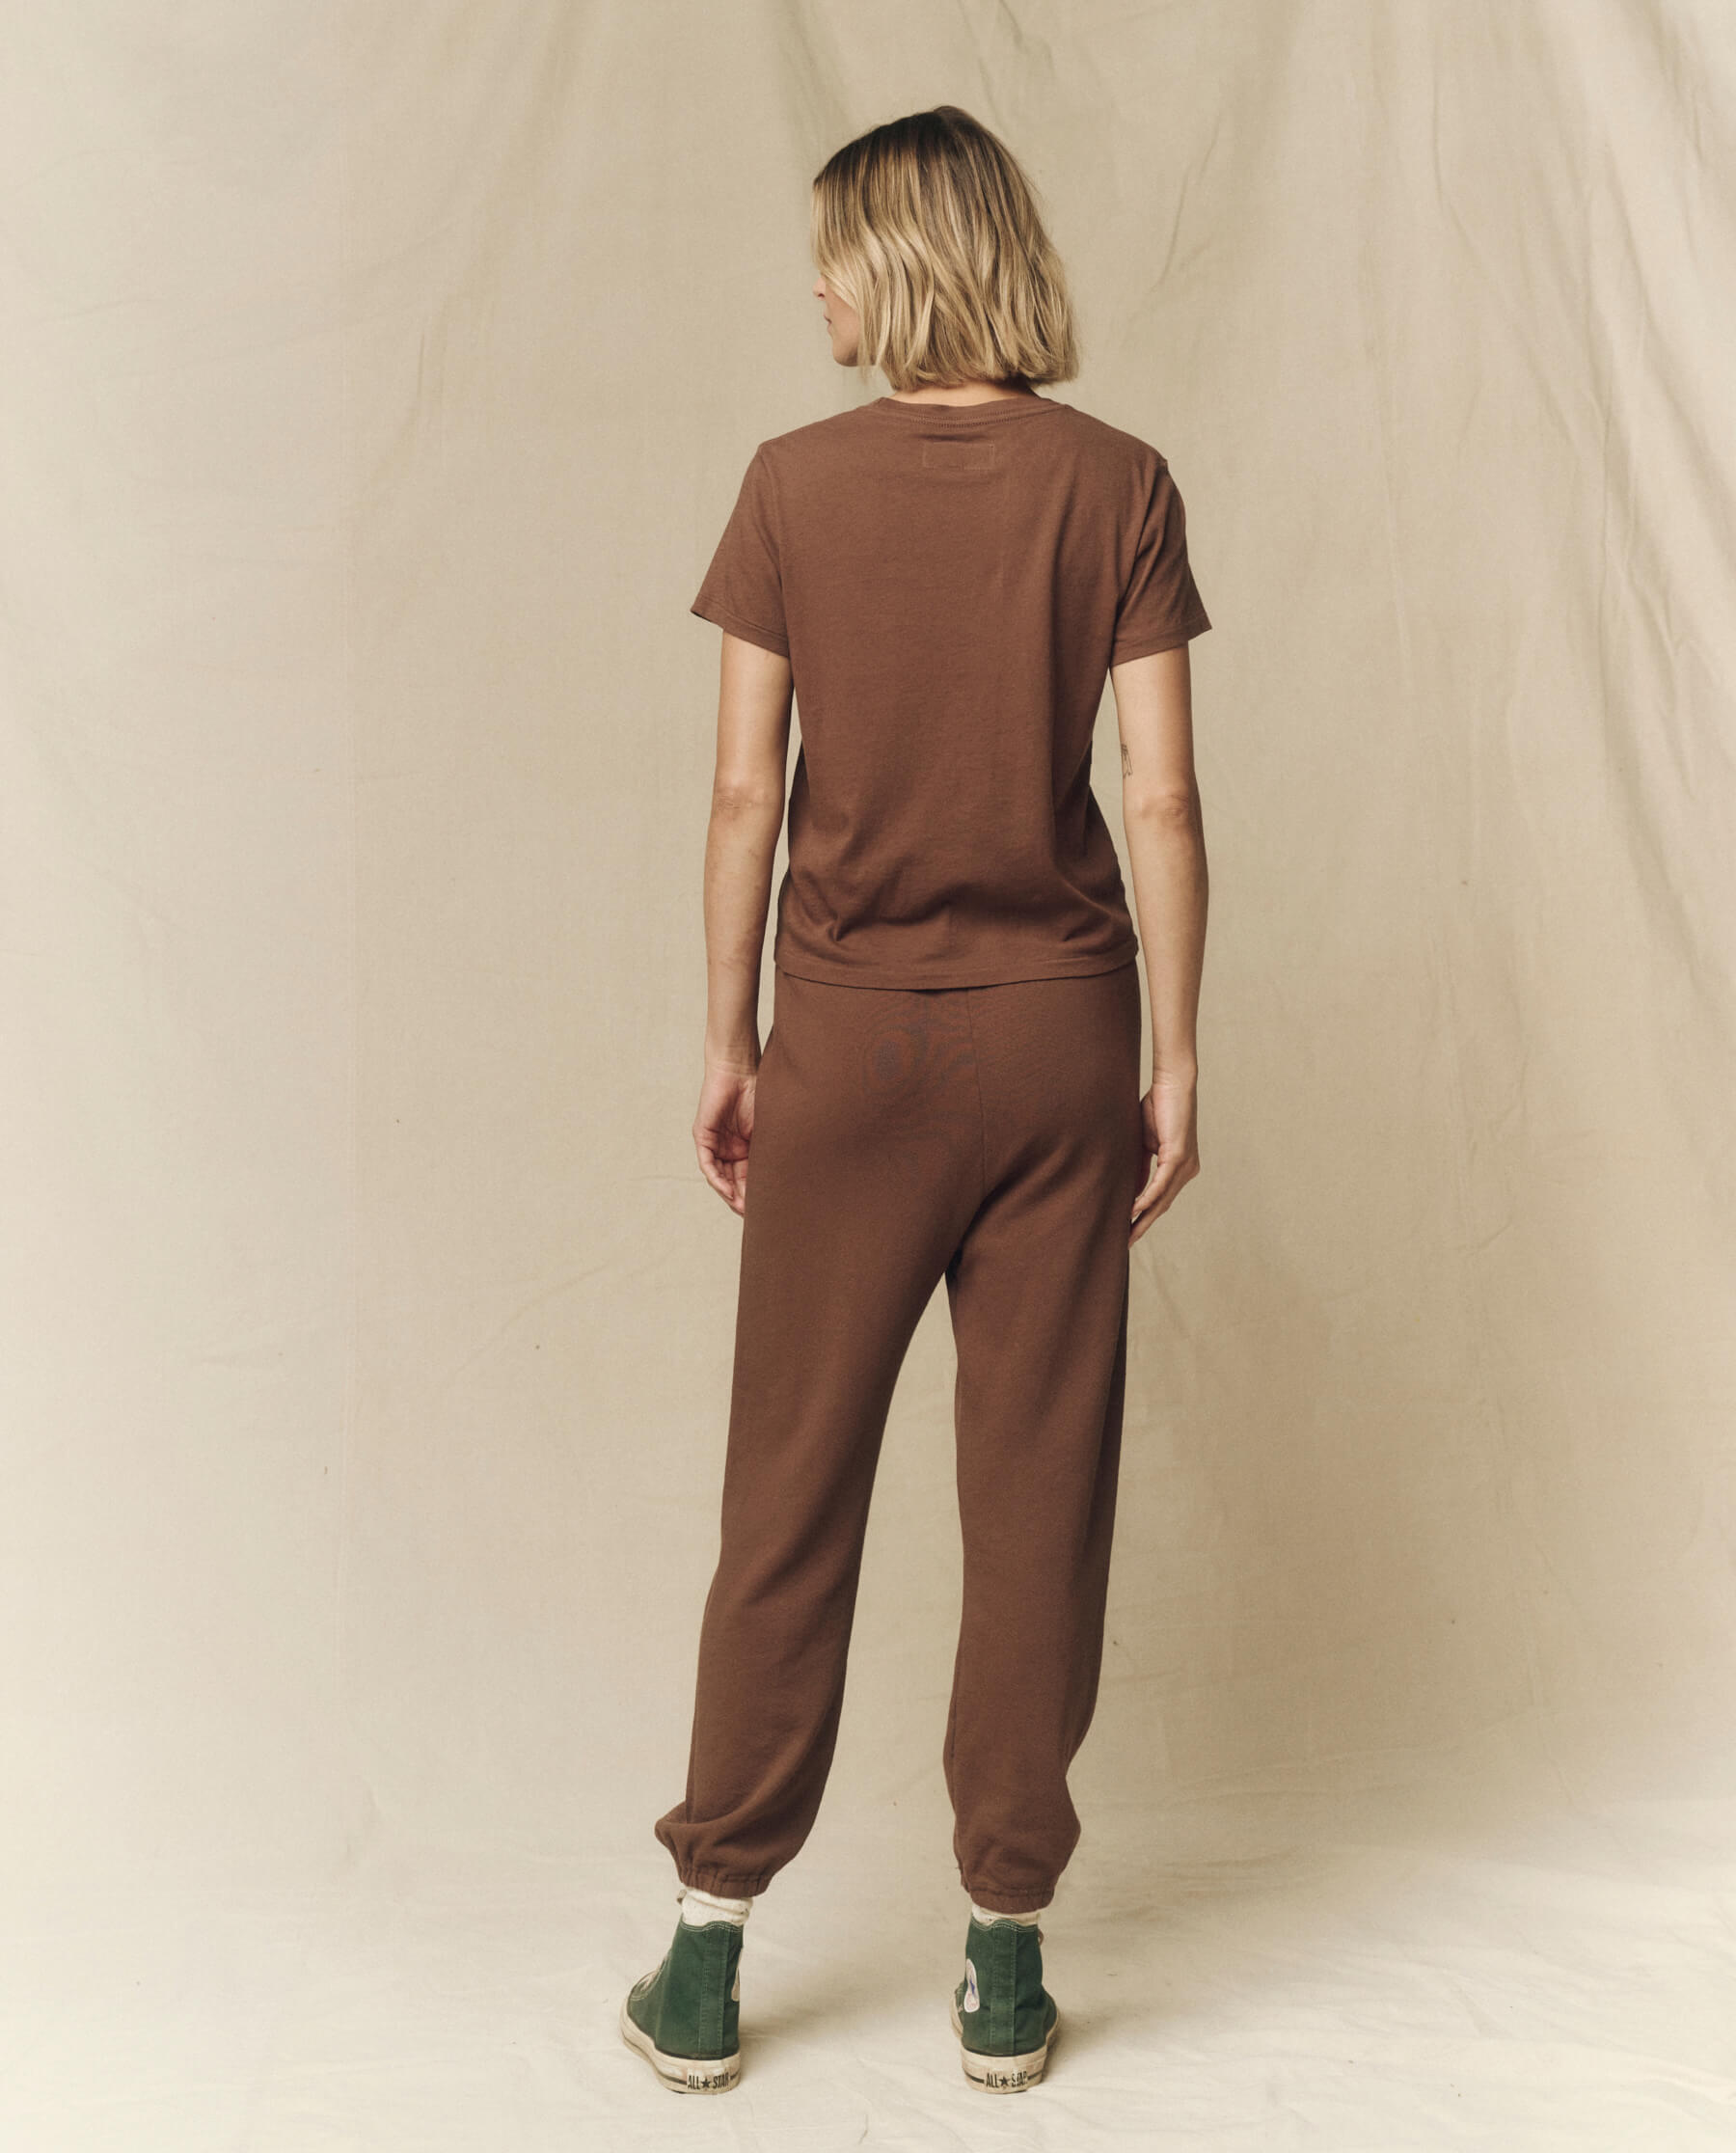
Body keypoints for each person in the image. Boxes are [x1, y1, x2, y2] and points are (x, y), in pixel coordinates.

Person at [620, 102, 1211, 2097]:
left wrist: (729, 1040)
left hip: (853, 1047)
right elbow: (1160, 801)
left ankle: (707, 1949)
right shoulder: (1120, 483)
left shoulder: (793, 487)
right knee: (1039, 1493)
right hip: (1061, 1041)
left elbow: (742, 795)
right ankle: (1008, 1959)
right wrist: (1176, 1055)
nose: (816, 287)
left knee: (788, 1490)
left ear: (899, 264)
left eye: (835, 253)